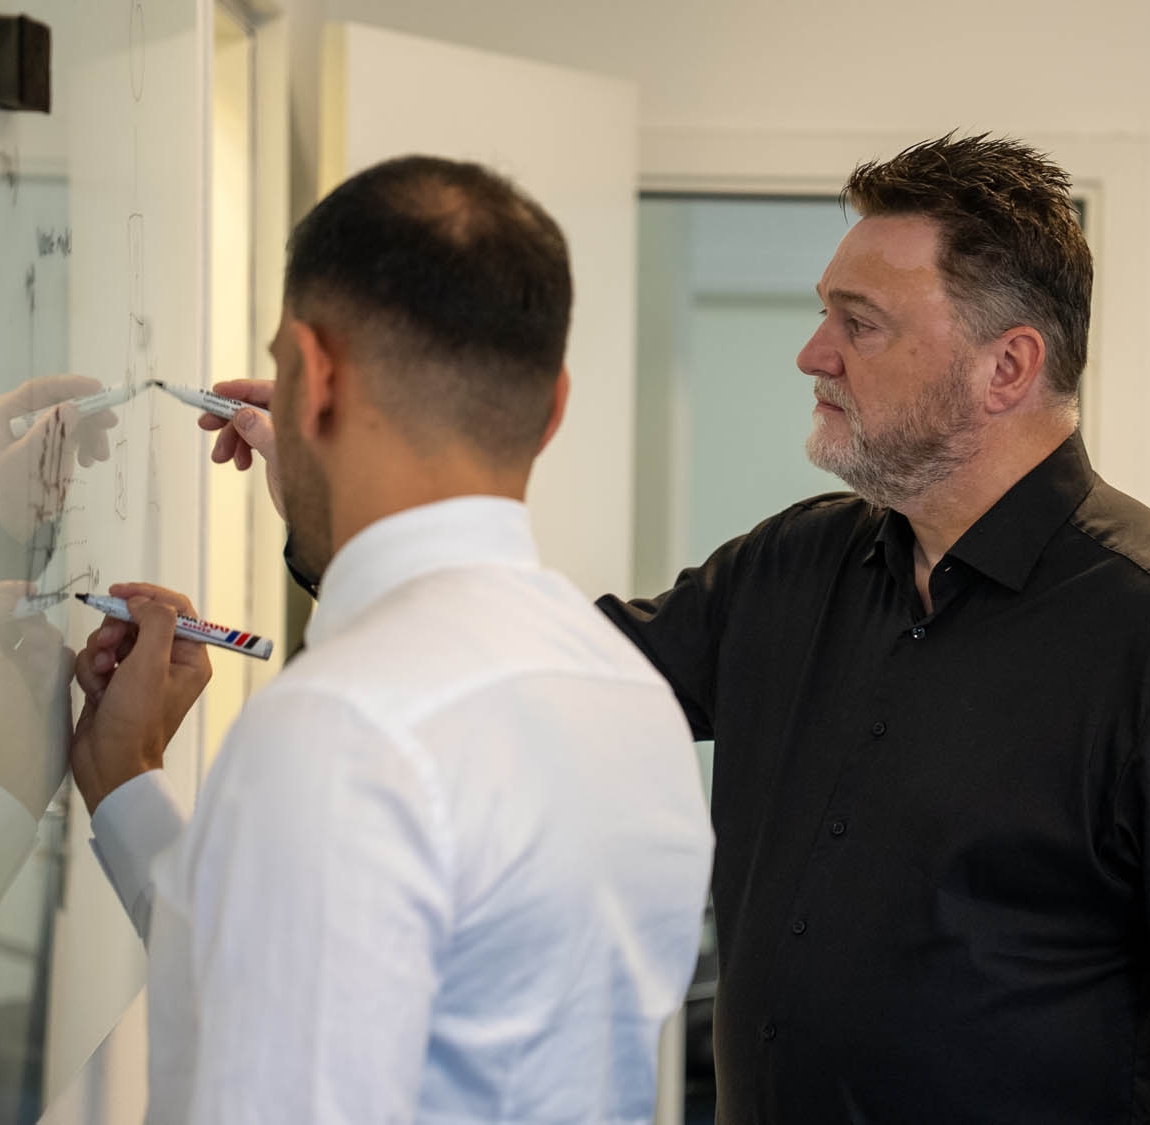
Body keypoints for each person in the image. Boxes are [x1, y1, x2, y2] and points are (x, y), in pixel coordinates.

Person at [206, 135, 1150, 1122]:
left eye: (856, 324)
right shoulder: (794, 566)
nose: (810, 354)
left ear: (1007, 366)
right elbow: (536, 670)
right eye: (824, 314)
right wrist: (334, 483)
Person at [69, 155, 714, 1123]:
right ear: (553, 408)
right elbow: (293, 986)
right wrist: (127, 785)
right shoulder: (626, 698)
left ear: (316, 373)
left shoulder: (346, 730)